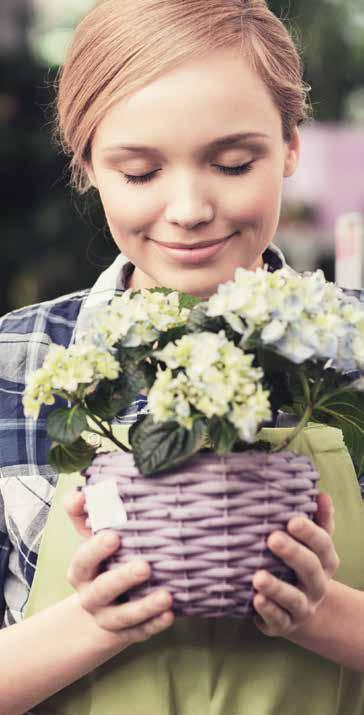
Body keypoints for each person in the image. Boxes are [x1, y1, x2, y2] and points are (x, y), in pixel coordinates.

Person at [0, 1, 363, 713]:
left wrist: (323, 614)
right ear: (87, 164)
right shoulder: (18, 362)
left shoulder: (349, 354)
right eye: (139, 172)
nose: (190, 207)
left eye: (233, 162)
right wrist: (95, 619)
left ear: (291, 142)